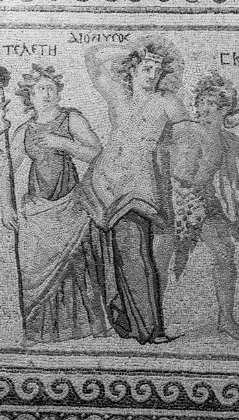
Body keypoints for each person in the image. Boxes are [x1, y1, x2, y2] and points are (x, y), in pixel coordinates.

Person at [75, 38, 188, 344]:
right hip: (102, 182)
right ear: (133, 68)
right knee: (101, 253)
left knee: (136, 253)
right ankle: (119, 321)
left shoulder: (168, 102)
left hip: (139, 185)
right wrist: (129, 52)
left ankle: (151, 329)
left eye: (158, 69)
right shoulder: (117, 93)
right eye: (146, 67)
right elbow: (92, 59)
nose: (152, 74)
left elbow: (187, 140)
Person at [155, 71, 239, 339]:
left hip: (210, 206)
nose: (204, 109)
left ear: (225, 109)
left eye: (212, 104)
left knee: (224, 255)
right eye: (201, 103)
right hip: (173, 202)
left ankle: (226, 319)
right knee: (161, 259)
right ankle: (150, 321)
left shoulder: (230, 142)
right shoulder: (185, 131)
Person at [0, 65, 110, 344]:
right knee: (33, 268)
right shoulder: (23, 130)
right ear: (30, 97)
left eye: (50, 88)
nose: (45, 94)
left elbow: (97, 154)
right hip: (37, 209)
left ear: (58, 92)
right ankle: (37, 331)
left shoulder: (71, 120)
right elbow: (6, 172)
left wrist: (62, 143)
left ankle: (88, 327)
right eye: (39, 90)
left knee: (77, 265)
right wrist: (6, 207)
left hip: (70, 204)